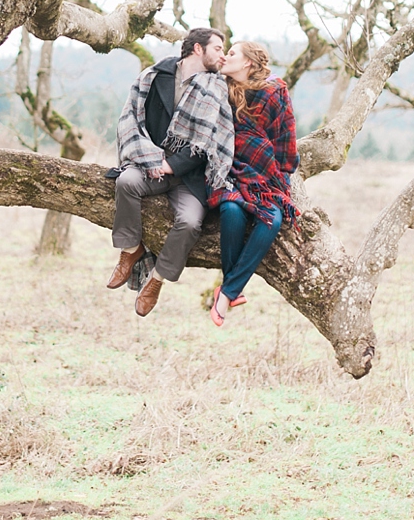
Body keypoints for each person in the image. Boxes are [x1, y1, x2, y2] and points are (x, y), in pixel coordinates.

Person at [108, 27, 234, 317]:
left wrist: (172, 165)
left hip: (189, 176)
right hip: (148, 164)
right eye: (217, 48)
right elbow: (131, 120)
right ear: (198, 49)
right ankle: (129, 251)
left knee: (190, 222)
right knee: (126, 181)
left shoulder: (216, 88)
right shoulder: (154, 76)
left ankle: (157, 279)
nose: (222, 55)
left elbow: (210, 142)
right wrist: (151, 159)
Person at [206, 41, 299, 327]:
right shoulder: (219, 90)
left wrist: (281, 177)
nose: (225, 57)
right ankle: (232, 291)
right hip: (228, 171)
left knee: (272, 218)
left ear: (247, 62)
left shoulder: (274, 92)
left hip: (264, 175)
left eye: (231, 53)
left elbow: (285, 137)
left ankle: (228, 290)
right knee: (232, 211)